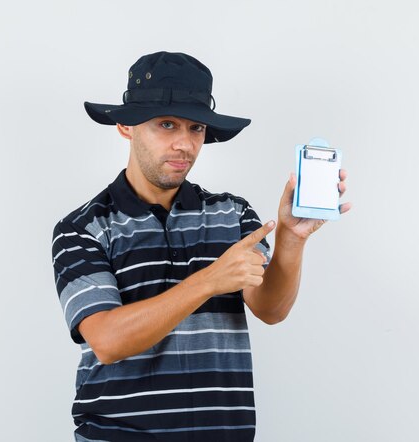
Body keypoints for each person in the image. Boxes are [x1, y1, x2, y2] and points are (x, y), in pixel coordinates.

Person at [52, 51, 350, 442]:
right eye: (167, 124)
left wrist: (292, 239)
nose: (184, 144)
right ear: (126, 126)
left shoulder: (231, 213)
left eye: (196, 129)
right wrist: (209, 281)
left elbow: (271, 309)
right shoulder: (84, 227)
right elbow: (108, 341)